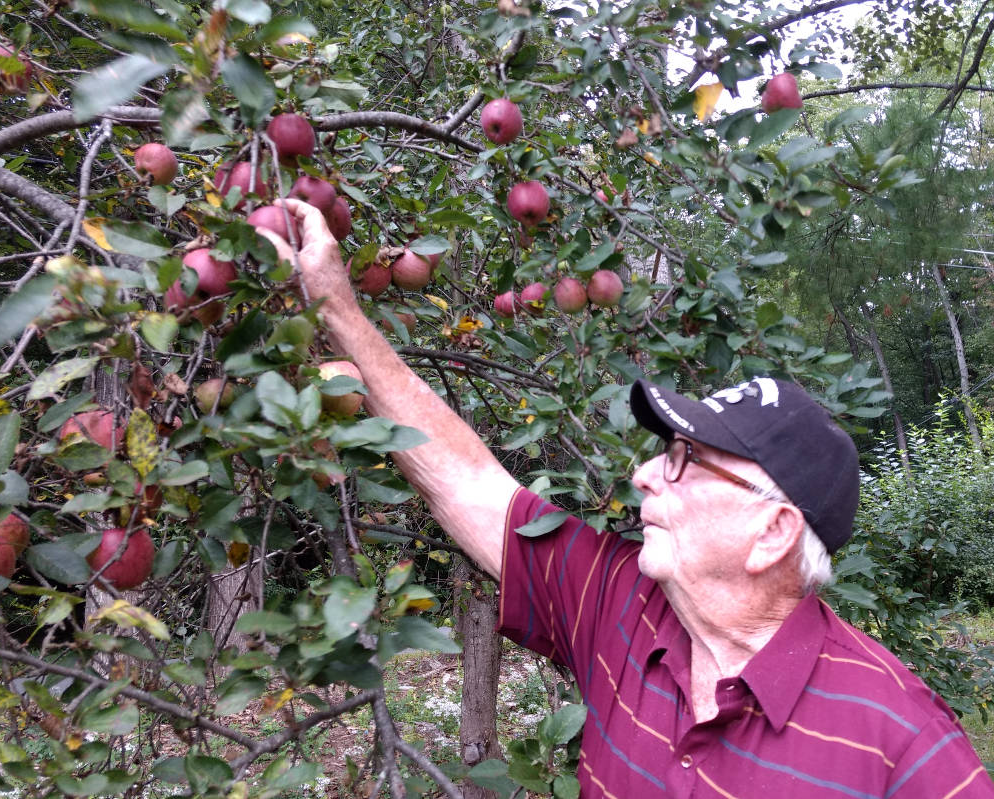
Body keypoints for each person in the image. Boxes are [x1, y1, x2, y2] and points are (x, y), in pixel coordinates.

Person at [258, 200, 994, 798]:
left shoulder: (901, 747)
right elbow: (469, 482)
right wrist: (338, 310)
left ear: (771, 532)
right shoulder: (617, 607)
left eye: (684, 459)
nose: (645, 472)